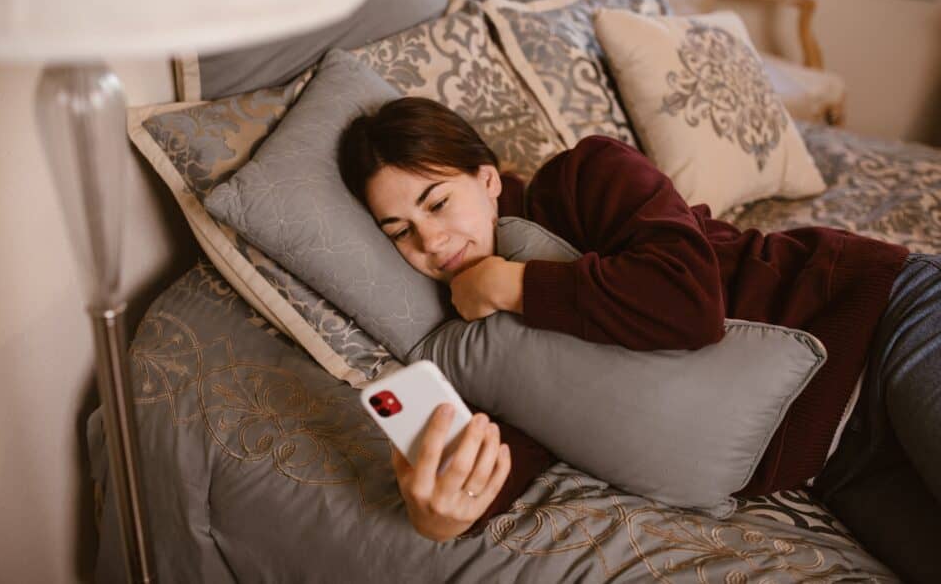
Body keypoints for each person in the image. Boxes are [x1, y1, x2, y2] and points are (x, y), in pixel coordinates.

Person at [337, 97, 941, 582]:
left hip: (886, 320)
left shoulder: (585, 175)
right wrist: (446, 515)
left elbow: (689, 303)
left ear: (488, 179)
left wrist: (514, 283)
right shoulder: (478, 343)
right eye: (401, 232)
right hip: (836, 464)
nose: (432, 242)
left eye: (438, 203)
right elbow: (545, 430)